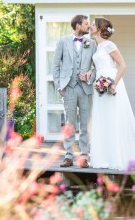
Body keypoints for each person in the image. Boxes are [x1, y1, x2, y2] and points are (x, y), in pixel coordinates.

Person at [87, 17, 135, 170]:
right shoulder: (97, 46)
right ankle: (104, 157)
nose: (91, 26)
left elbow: (122, 65)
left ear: (100, 28)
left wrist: (114, 83)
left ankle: (117, 157)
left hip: (111, 82)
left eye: (93, 24)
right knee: (102, 118)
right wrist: (90, 72)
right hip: (99, 84)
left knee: (113, 117)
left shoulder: (109, 45)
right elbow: (98, 65)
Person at [53, 15, 97, 168]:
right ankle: (68, 155)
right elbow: (56, 65)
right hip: (69, 88)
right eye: (86, 24)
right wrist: (59, 85)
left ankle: (84, 156)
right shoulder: (63, 41)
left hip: (85, 89)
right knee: (69, 123)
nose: (88, 27)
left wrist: (90, 74)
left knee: (85, 124)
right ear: (78, 25)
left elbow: (97, 66)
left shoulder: (91, 43)